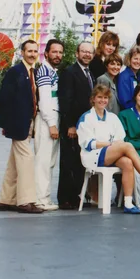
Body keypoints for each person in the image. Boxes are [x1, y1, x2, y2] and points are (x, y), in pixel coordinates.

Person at [78, 84, 140, 214]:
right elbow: (88, 144)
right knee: (127, 146)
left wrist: (114, 145)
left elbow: (120, 138)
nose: (102, 100)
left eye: (105, 98)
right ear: (93, 99)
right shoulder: (86, 118)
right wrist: (110, 144)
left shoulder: (112, 117)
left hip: (110, 153)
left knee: (128, 163)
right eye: (99, 97)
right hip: (92, 156)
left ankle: (128, 203)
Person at [0, 40, 43, 214]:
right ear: (22, 52)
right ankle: (25, 201)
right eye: (29, 51)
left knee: (14, 164)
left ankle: (6, 200)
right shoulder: (15, 72)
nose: (32, 54)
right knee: (26, 160)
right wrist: (5, 124)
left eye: (34, 51)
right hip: (17, 124)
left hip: (29, 123)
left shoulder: (34, 72)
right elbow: (4, 100)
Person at [57, 41, 96, 210]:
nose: (87, 55)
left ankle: (76, 196)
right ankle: (65, 198)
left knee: (79, 163)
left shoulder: (90, 74)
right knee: (68, 163)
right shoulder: (69, 72)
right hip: (72, 126)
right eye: (84, 52)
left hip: (85, 126)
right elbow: (65, 101)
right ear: (77, 53)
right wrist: (70, 125)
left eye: (90, 52)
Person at [33, 39, 63, 210]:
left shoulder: (53, 71)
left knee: (49, 160)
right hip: (47, 119)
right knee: (43, 160)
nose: (57, 55)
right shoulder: (44, 71)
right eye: (54, 52)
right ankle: (40, 199)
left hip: (53, 118)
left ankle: (44, 197)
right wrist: (51, 124)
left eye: (60, 52)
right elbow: (44, 100)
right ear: (46, 53)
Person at [117, 45, 140, 111]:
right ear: (129, 59)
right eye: (135, 58)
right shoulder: (124, 77)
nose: (138, 62)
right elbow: (125, 101)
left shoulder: (139, 76)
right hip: (130, 114)